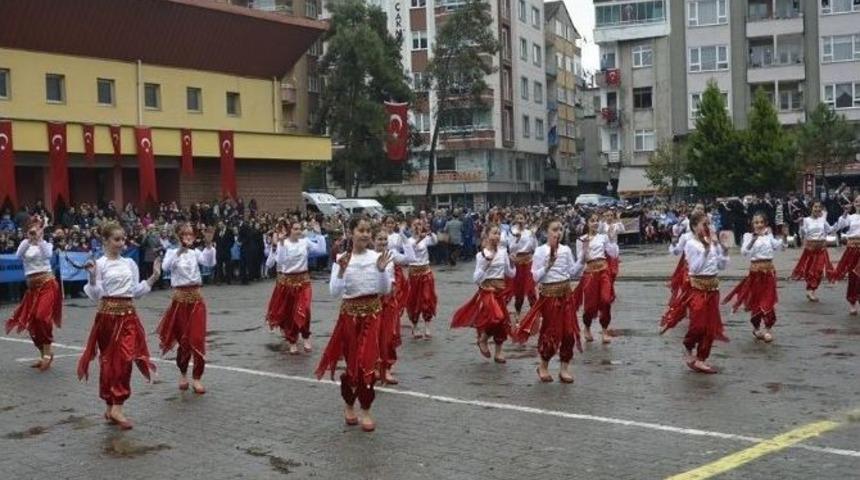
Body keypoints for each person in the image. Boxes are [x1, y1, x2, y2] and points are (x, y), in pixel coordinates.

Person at [78, 221, 161, 430]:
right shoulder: (100, 264)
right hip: (107, 317)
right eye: (116, 239)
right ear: (105, 241)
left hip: (128, 316)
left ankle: (117, 405)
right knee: (109, 361)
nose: (121, 243)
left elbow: (135, 291)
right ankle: (111, 405)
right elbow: (96, 294)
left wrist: (153, 277)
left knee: (125, 360)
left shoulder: (129, 264)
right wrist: (91, 275)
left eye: (123, 239)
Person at [315, 216, 392, 432]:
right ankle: (349, 404)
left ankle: (366, 409)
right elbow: (334, 292)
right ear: (351, 233)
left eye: (368, 230)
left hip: (372, 316)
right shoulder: (341, 258)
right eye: (361, 230)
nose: (366, 234)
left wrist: (381, 271)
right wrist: (340, 270)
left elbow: (385, 290)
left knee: (367, 363)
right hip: (349, 318)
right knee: (352, 365)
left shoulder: (378, 257)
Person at [512, 219, 583, 383]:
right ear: (547, 232)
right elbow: (535, 277)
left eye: (560, 229)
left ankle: (564, 368)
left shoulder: (565, 250)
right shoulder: (540, 251)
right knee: (552, 333)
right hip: (550, 297)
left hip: (566, 295)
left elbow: (572, 271)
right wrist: (547, 266)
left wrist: (582, 260)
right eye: (554, 229)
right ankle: (543, 365)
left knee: (569, 333)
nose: (558, 233)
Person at [661, 211, 729, 374]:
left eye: (708, 224)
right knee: (698, 324)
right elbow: (695, 268)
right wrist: (706, 250)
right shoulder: (691, 244)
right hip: (697, 288)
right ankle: (688, 344)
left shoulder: (712, 242)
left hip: (713, 288)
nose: (707, 227)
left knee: (710, 327)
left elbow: (721, 266)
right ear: (694, 226)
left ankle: (701, 359)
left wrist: (724, 250)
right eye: (704, 224)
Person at [156, 223, 216, 394]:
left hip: (196, 300)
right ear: (179, 236)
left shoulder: (195, 252)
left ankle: (197, 377)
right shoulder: (171, 252)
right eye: (185, 234)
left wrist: (209, 244)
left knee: (197, 338)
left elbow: (209, 263)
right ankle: (183, 373)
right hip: (180, 301)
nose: (189, 237)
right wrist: (179, 251)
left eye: (191, 234)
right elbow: (166, 267)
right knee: (183, 340)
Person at [4, 216, 62, 371]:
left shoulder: (46, 244)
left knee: (42, 317)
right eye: (32, 227)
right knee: (33, 322)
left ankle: (48, 353)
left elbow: (48, 255)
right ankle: (43, 354)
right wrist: (29, 240)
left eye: (38, 227)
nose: (34, 230)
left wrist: (39, 239)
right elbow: (18, 256)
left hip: (47, 283)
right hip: (32, 287)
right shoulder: (25, 243)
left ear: (42, 229)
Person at [451, 223, 515, 363]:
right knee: (496, 317)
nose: (496, 236)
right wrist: (486, 263)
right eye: (493, 233)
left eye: (498, 233)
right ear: (486, 236)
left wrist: (513, 263)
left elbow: (510, 274)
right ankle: (484, 338)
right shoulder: (481, 255)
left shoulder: (503, 253)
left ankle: (498, 352)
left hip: (500, 291)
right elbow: (476, 279)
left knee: (502, 321)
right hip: (487, 292)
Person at [265, 219, 326, 354]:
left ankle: (306, 337)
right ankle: (292, 340)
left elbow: (322, 250)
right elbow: (280, 261)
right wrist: (280, 243)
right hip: (288, 282)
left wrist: (319, 234)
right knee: (291, 313)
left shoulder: (305, 242)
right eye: (295, 229)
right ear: (289, 230)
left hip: (304, 281)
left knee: (305, 310)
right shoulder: (284, 243)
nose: (298, 231)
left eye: (299, 229)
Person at [723, 213, 781, 342]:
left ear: (765, 223)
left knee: (768, 300)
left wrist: (785, 236)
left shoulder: (768, 235)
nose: (759, 225)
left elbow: (777, 246)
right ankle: (756, 327)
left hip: (769, 272)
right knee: (756, 301)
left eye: (761, 222)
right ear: (752, 224)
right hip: (755, 273)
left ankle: (767, 328)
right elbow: (744, 252)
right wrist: (753, 240)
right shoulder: (748, 236)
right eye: (756, 222)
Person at [374, 228, 414, 385]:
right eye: (379, 239)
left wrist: (404, 238)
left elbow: (410, 258)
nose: (383, 242)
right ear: (373, 239)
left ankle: (388, 368)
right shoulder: (368, 256)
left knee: (389, 335)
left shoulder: (391, 254)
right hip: (373, 301)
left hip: (389, 300)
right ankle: (375, 367)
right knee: (375, 334)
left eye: (385, 239)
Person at [577, 212, 619, 344]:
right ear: (587, 223)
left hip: (603, 271)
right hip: (589, 273)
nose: (595, 223)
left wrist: (612, 239)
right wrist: (584, 252)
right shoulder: (581, 239)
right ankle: (587, 327)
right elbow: (579, 260)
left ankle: (605, 330)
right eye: (592, 220)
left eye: (597, 221)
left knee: (605, 301)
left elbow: (613, 253)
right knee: (590, 306)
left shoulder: (603, 237)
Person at [791, 201, 836, 302]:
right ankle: (810, 289)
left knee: (819, 270)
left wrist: (840, 223)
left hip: (821, 249)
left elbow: (830, 229)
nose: (817, 209)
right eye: (815, 207)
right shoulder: (806, 220)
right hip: (810, 249)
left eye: (819, 207)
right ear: (811, 208)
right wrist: (801, 225)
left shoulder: (823, 220)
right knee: (809, 270)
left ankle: (811, 291)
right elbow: (802, 233)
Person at [406, 218, 438, 339]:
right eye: (415, 225)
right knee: (414, 301)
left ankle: (427, 326)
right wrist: (420, 238)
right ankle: (415, 326)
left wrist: (430, 232)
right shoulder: (408, 241)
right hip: (414, 274)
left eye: (419, 224)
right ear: (411, 227)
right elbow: (411, 250)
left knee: (427, 299)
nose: (417, 227)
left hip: (425, 271)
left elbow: (435, 241)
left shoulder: (426, 239)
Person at [502, 212, 537, 322]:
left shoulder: (529, 232)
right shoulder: (511, 232)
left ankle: (534, 312)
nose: (520, 221)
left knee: (531, 288)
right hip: (517, 262)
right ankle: (517, 311)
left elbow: (534, 247)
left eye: (522, 218)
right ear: (515, 221)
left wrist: (533, 235)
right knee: (519, 290)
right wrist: (517, 239)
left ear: (525, 220)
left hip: (528, 261)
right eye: (518, 219)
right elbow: (511, 248)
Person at [830, 196, 860, 314]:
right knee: (853, 276)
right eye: (857, 202)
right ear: (853, 204)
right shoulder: (850, 217)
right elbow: (839, 226)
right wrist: (845, 213)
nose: (859, 204)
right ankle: (852, 302)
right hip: (852, 250)